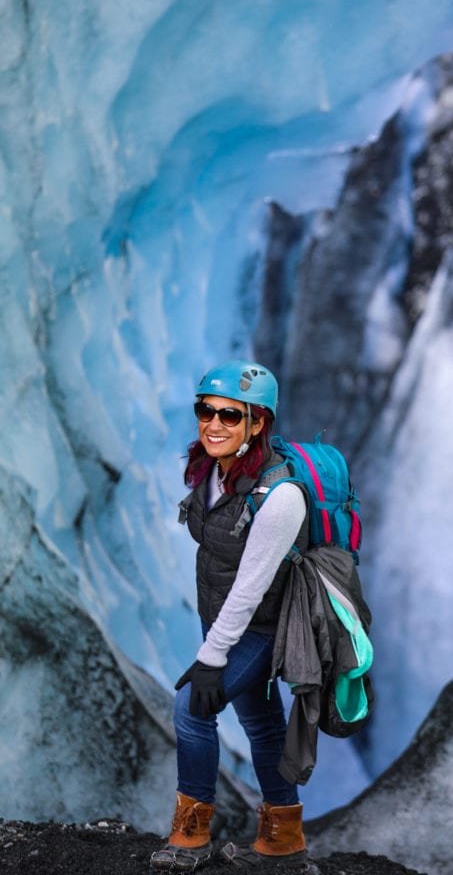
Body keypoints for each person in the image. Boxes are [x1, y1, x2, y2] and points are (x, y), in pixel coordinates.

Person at [150, 361, 310, 872]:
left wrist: (211, 657)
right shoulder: (213, 470)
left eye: (229, 415)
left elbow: (251, 586)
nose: (213, 424)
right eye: (205, 410)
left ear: (258, 422)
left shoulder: (280, 497)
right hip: (222, 616)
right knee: (261, 723)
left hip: (260, 627)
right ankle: (284, 845)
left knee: (191, 710)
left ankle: (190, 838)